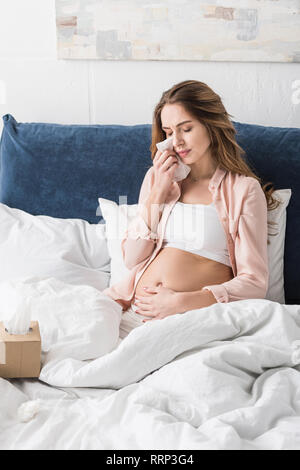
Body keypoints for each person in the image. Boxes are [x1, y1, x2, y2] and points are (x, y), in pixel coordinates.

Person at [103, 80, 280, 339]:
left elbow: (254, 283)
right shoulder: (156, 178)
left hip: (193, 320)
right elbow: (132, 258)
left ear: (211, 125)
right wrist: (160, 189)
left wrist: (181, 302)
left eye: (186, 129)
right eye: (168, 132)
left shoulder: (244, 190)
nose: (177, 142)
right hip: (133, 313)